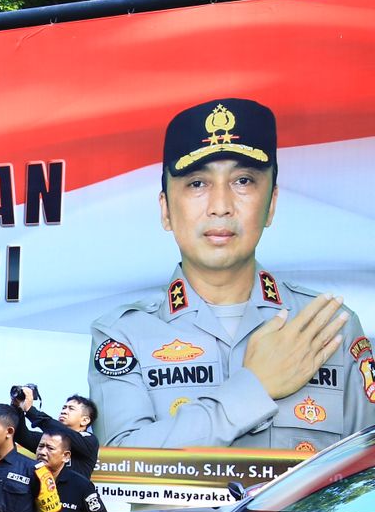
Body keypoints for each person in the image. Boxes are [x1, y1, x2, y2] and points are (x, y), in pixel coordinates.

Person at [90, 97, 373, 452]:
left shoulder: (330, 328)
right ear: (166, 210)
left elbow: (365, 471)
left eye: (243, 181)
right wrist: (255, 387)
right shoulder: (122, 335)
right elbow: (119, 465)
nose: (221, 206)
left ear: (271, 204)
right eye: (197, 184)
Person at [12, 389, 99, 476]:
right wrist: (18, 407)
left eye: (71, 409)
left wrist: (30, 410)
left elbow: (63, 432)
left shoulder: (90, 441)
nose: (64, 411)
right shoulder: (48, 439)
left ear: (85, 420)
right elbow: (21, 436)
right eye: (64, 408)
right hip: (46, 484)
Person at [35, 431, 106, 512]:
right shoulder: (27, 478)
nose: (42, 452)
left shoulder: (81, 485)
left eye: (50, 448)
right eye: (41, 446)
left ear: (66, 456)